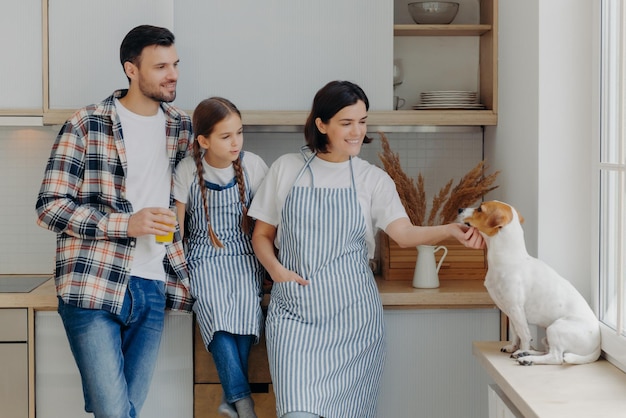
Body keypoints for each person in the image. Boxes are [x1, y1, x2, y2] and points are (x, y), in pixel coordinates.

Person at [248, 80, 485, 418]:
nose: (357, 131)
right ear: (321, 124)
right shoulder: (286, 169)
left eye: (362, 121)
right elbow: (262, 234)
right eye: (346, 123)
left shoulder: (372, 179)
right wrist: (276, 271)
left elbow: (403, 234)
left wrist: (449, 230)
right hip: (295, 318)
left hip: (354, 320)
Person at [35, 25, 193, 418]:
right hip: (92, 283)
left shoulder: (182, 127)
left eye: (175, 64)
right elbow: (49, 206)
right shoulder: (86, 122)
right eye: (160, 66)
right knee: (114, 411)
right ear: (131, 69)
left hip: (153, 284)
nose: (172, 74)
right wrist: (126, 224)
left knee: (123, 410)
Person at [173, 97, 268, 418]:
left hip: (244, 254)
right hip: (203, 255)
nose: (236, 142)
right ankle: (244, 403)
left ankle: (234, 399)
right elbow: (176, 230)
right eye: (226, 136)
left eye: (239, 133)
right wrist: (175, 273)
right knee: (215, 311)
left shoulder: (253, 165)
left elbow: (271, 221)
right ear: (203, 140)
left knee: (244, 314)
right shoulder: (187, 169)